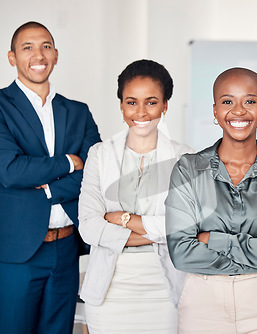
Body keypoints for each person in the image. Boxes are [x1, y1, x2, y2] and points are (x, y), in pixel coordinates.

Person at [0, 21, 101, 334]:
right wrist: (68, 163)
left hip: (67, 247)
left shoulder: (78, 111)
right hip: (16, 248)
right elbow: (9, 171)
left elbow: (96, 173)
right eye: (27, 47)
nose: (38, 54)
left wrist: (44, 189)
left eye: (45, 46)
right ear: (12, 57)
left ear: (55, 55)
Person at [165, 67, 257, 334]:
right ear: (215, 110)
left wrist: (214, 239)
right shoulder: (189, 169)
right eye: (228, 101)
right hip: (203, 305)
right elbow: (182, 253)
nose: (239, 111)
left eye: (250, 101)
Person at [78, 59, 193, 333]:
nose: (141, 111)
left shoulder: (184, 158)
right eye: (131, 102)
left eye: (151, 102)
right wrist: (158, 229)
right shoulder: (100, 154)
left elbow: (187, 226)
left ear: (165, 105)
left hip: (165, 290)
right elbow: (89, 227)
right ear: (121, 106)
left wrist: (123, 218)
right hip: (109, 291)